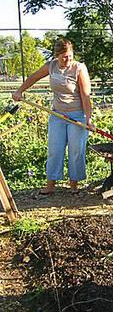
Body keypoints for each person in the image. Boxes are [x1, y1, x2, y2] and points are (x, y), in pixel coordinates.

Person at [12, 38, 92, 196]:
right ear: (57, 56)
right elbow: (33, 77)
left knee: (76, 150)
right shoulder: (51, 66)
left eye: (69, 55)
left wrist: (88, 118)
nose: (67, 59)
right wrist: (19, 91)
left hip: (77, 116)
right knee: (55, 150)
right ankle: (51, 185)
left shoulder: (79, 68)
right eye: (63, 57)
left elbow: (85, 96)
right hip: (57, 115)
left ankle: (73, 185)